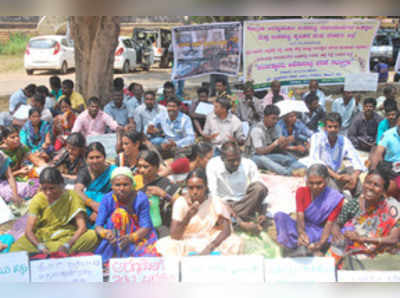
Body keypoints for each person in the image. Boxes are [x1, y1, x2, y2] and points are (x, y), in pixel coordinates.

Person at [156, 168, 243, 256]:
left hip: (209, 239)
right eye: (191, 188)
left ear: (206, 187)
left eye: (199, 187)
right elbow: (175, 236)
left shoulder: (215, 201)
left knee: (234, 242)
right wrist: (189, 215)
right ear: (187, 187)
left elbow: (226, 230)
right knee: (167, 245)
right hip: (187, 239)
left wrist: (210, 247)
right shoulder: (181, 202)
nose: (195, 192)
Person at [10, 167, 98, 254]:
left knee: (92, 236)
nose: (48, 192)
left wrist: (67, 245)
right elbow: (29, 231)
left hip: (66, 236)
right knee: (16, 249)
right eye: (44, 189)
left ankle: (54, 253)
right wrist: (39, 246)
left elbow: (82, 227)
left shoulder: (72, 196)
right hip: (42, 237)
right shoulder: (38, 199)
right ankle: (54, 253)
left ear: (61, 184)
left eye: (52, 188)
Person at [332, 165, 400, 264]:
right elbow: (337, 224)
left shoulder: (393, 209)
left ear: (384, 191)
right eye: (368, 183)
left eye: (376, 185)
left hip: (381, 254)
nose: (370, 188)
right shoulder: (353, 204)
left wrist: (361, 238)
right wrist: (338, 234)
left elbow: (393, 239)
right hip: (352, 249)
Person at [274, 164, 344, 256]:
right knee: (279, 216)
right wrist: (301, 233)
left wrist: (321, 243)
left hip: (319, 231)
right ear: (307, 181)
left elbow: (329, 224)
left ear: (327, 181)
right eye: (311, 183)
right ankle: (300, 244)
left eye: (319, 183)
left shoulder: (335, 198)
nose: (315, 187)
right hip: (303, 227)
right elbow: (300, 215)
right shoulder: (301, 191)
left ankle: (302, 245)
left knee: (338, 237)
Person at [94, 167, 159, 263]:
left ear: (132, 185)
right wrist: (106, 234)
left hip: (138, 236)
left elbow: (146, 226)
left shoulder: (141, 198)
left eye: (125, 185)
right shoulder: (106, 199)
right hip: (114, 238)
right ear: (111, 186)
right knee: (119, 214)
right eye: (117, 185)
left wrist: (130, 238)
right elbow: (98, 226)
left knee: (148, 258)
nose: (121, 188)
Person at [206, 141, 269, 233]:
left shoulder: (248, 164)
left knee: (260, 188)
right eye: (231, 160)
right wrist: (241, 223)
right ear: (222, 158)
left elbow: (260, 188)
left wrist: (263, 212)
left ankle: (232, 219)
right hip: (224, 204)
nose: (236, 163)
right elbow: (213, 194)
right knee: (213, 206)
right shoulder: (213, 165)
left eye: (238, 159)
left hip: (244, 202)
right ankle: (238, 220)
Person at [309, 112, 365, 197]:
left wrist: (354, 177)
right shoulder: (317, 138)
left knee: (352, 170)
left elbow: (357, 160)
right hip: (321, 175)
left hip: (336, 174)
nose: (332, 130)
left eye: (335, 127)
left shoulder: (344, 140)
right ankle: (335, 196)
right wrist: (337, 176)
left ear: (339, 128)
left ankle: (360, 201)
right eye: (330, 127)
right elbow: (316, 161)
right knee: (316, 168)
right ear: (325, 128)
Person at [249, 104, 306, 176]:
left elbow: (279, 148)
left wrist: (285, 142)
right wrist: (276, 143)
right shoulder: (257, 130)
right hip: (254, 157)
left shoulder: (275, 127)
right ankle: (287, 173)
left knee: (285, 157)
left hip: (269, 154)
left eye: (277, 119)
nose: (275, 121)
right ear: (265, 117)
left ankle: (301, 167)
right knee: (266, 161)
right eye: (273, 118)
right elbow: (260, 152)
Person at [136, 150, 180, 234]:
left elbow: (181, 205)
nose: (141, 170)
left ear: (156, 168)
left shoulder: (166, 184)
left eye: (145, 167)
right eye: (139, 166)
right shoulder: (135, 183)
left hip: (164, 227)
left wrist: (163, 194)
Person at [74, 142, 117, 224]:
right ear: (86, 159)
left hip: (109, 205)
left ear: (104, 157)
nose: (95, 161)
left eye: (98, 157)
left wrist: (100, 210)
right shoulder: (85, 172)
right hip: (91, 206)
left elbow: (117, 193)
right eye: (91, 158)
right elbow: (77, 190)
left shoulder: (113, 171)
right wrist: (92, 204)